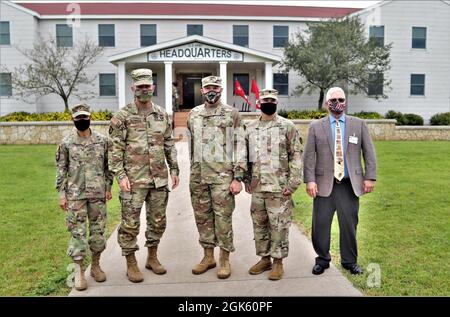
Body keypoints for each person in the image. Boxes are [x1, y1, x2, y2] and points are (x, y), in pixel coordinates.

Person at [108, 68, 179, 283]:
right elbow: (115, 150)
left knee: (157, 221)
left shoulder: (162, 114)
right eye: (139, 87)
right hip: (133, 181)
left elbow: (169, 143)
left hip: (158, 179)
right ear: (132, 88)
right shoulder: (122, 117)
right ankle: (131, 262)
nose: (144, 90)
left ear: (153, 87)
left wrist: (174, 169)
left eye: (147, 86)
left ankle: (152, 257)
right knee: (130, 223)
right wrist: (120, 176)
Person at [303, 87, 377, 275]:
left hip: (349, 185)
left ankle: (349, 261)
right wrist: (309, 181)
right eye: (333, 100)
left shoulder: (358, 124)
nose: (337, 103)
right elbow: (309, 157)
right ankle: (322, 259)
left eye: (341, 99)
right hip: (323, 185)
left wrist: (370, 177)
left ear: (346, 101)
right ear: (327, 104)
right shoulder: (315, 126)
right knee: (320, 225)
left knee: (349, 225)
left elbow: (369, 152)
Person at [187, 75, 246, 279]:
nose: (211, 90)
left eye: (215, 87)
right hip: (199, 177)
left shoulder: (232, 114)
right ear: (202, 90)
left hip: (222, 177)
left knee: (223, 220)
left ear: (221, 89)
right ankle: (208, 256)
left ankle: (224, 259)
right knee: (202, 219)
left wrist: (238, 177)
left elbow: (240, 145)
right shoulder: (193, 114)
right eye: (208, 87)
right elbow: (192, 145)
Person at [244, 89, 303, 280]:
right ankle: (264, 259)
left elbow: (296, 155)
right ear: (258, 103)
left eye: (272, 100)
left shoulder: (288, 126)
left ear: (277, 102)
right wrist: (246, 179)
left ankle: (278, 262)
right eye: (265, 100)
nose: (269, 102)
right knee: (259, 225)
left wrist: (293, 182)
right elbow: (245, 157)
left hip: (279, 187)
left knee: (279, 226)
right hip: (258, 187)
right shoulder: (250, 128)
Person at [55, 104, 113, 291]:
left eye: (84, 117)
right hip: (75, 196)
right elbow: (61, 170)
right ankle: (79, 272)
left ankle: (95, 266)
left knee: (98, 232)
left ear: (90, 118)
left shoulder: (103, 141)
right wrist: (62, 195)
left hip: (97, 194)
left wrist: (108, 187)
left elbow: (108, 167)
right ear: (73, 120)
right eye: (78, 118)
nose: (82, 121)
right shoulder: (66, 143)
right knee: (77, 234)